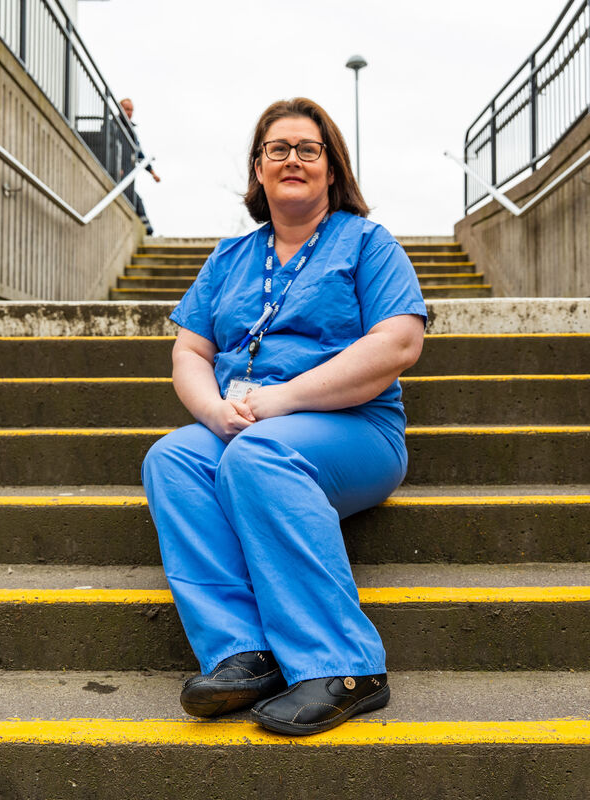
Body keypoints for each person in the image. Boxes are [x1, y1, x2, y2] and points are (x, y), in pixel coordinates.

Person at [141, 97, 426, 736]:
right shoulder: (230, 258)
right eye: (278, 149)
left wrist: (285, 399)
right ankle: (245, 653)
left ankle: (346, 667)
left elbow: (400, 342)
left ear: (332, 169)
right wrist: (213, 410)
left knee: (258, 453)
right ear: (258, 169)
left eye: (308, 149)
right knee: (174, 457)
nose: (292, 159)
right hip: (244, 422)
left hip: (351, 429)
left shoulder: (368, 243)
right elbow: (189, 349)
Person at [119, 98, 160, 234]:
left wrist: (152, 172)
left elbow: (140, 154)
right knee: (133, 199)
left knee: (135, 199)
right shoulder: (113, 125)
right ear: (120, 108)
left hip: (129, 173)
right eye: (126, 109)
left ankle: (147, 229)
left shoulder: (132, 131)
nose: (129, 112)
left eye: (131, 110)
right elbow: (108, 146)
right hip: (117, 171)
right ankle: (147, 229)